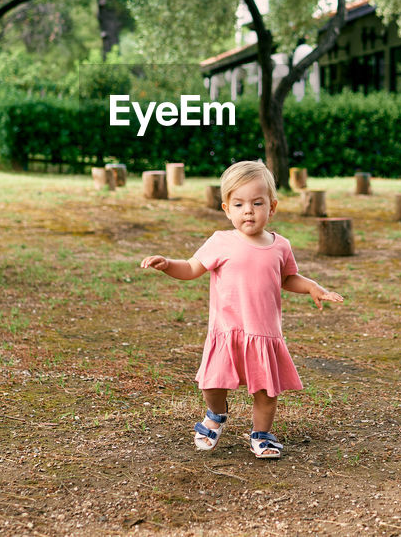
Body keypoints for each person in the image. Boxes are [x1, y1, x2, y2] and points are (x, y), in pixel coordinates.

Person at [140, 160, 344, 459]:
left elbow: (287, 278)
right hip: (227, 331)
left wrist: (314, 287)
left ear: (271, 208)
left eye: (257, 203)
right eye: (239, 204)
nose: (248, 210)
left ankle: (261, 435)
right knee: (212, 383)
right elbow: (192, 268)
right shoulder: (221, 241)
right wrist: (168, 264)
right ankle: (216, 414)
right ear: (227, 209)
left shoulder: (279, 246)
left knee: (266, 393)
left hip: (263, 333)